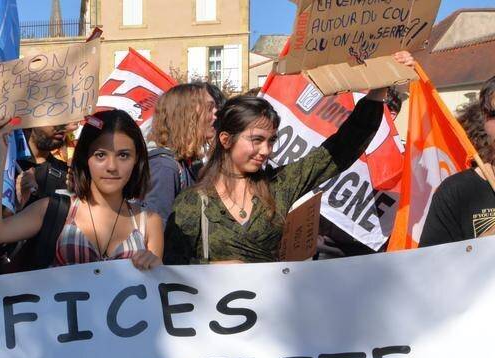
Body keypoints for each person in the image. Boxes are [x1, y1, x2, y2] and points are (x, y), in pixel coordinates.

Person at [165, 52, 417, 264]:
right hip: (216, 319)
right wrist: (213, 272)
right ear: (226, 140)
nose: (266, 151)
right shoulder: (191, 203)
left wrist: (381, 84)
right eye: (256, 140)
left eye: (271, 140)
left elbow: (340, 149)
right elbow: (171, 274)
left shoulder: (279, 186)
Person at [0, 111, 162, 271]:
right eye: (100, 155)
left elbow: (154, 295)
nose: (112, 166)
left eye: (123, 155)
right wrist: (0, 158)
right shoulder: (54, 209)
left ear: (137, 159)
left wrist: (156, 268)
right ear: (85, 157)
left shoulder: (150, 222)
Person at [0, 124, 73, 276]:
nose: (61, 126)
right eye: (53, 118)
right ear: (30, 120)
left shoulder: (68, 177)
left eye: (64, 117)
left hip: (51, 288)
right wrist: (11, 210)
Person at [420, 76, 495, 245]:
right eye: (494, 114)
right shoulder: (456, 191)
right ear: (484, 119)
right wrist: (487, 241)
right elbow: (432, 264)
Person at [144, 83, 217, 223]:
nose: (215, 113)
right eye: (209, 108)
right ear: (188, 115)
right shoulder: (165, 168)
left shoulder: (188, 163)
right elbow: (156, 234)